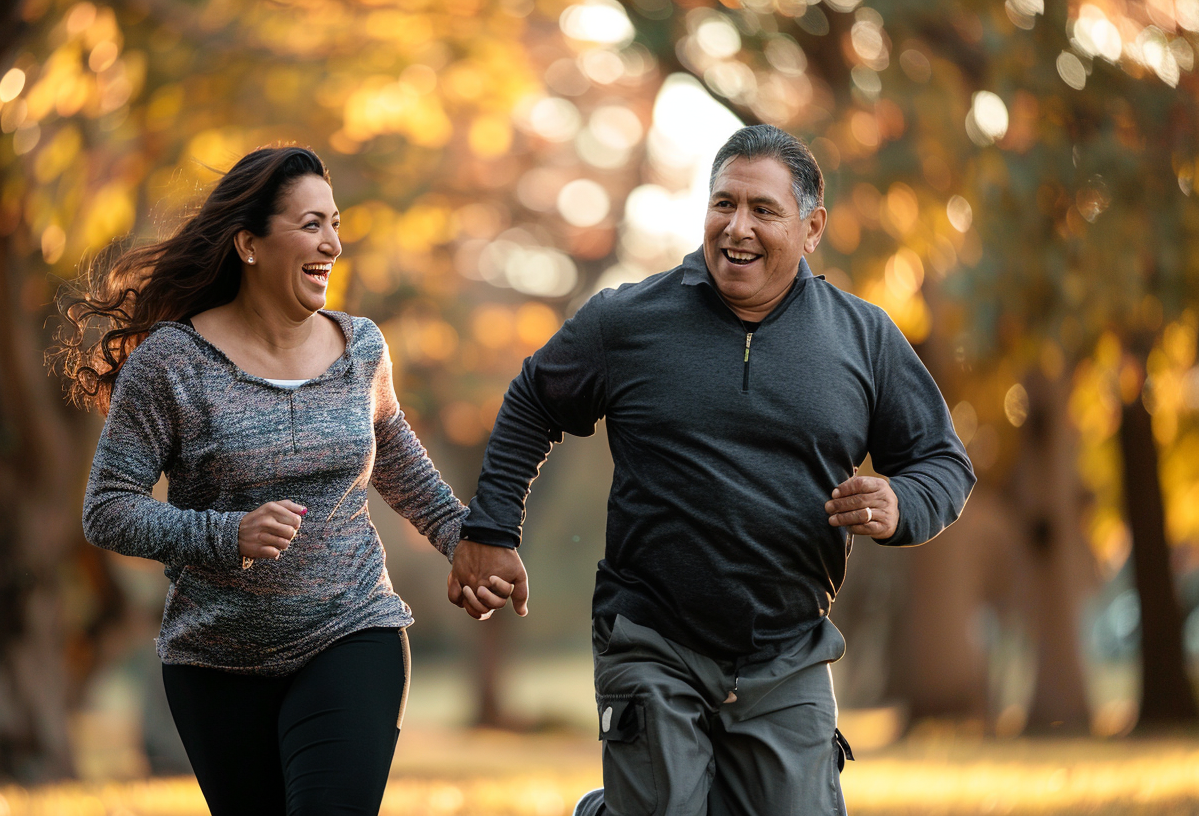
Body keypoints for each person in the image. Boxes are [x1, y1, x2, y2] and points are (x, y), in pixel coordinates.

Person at [449, 124, 977, 815]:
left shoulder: (863, 337)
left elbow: (943, 462)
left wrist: (902, 503)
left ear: (811, 227)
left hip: (787, 649)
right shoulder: (629, 321)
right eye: (723, 204)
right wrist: (491, 527)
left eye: (763, 210)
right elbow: (532, 400)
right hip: (652, 636)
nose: (738, 227)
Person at [64, 146, 467, 815]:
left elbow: (396, 460)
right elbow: (108, 509)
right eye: (312, 225)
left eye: (335, 225)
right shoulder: (172, 364)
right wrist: (229, 535)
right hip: (215, 661)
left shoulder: (361, 347)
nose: (332, 244)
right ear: (249, 245)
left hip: (351, 626)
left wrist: (467, 540)